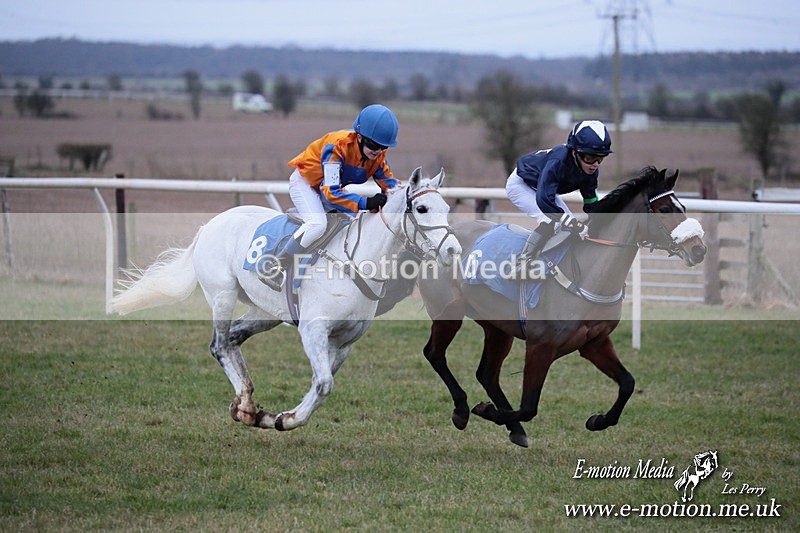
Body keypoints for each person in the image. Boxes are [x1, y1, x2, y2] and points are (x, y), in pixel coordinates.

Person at [257, 104, 399, 290]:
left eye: (383, 146)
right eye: (373, 144)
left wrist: (408, 197)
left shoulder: (378, 157)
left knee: (356, 223)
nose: (377, 151)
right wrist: (366, 202)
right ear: (359, 137)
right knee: (318, 225)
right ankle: (276, 266)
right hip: (306, 184)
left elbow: (393, 187)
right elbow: (331, 193)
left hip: (328, 188)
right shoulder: (337, 147)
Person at [506, 120, 612, 264]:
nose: (594, 165)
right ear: (575, 152)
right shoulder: (558, 161)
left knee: (570, 227)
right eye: (589, 158)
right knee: (552, 221)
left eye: (600, 159)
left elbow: (591, 203)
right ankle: (521, 263)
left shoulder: (591, 172)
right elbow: (543, 200)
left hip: (542, 188)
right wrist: (571, 223)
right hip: (521, 184)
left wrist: (602, 221)